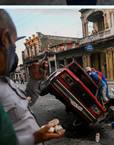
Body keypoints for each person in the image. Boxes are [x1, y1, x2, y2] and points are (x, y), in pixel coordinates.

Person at [0, 9, 65, 144]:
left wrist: (34, 80)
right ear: (4, 39)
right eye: (13, 43)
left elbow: (26, 102)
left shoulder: (5, 81)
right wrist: (34, 139)